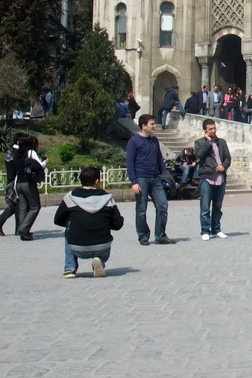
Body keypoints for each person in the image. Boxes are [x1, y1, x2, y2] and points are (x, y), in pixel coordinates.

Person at [54, 166, 124, 278]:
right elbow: (117, 224)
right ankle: (99, 260)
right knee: (102, 238)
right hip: (101, 245)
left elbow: (58, 219)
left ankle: (70, 267)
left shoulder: (70, 197)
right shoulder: (107, 198)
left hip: (77, 246)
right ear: (97, 181)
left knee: (69, 230)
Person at [127, 114, 176, 246]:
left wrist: (165, 174)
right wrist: (134, 182)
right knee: (141, 209)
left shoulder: (154, 140)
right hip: (141, 178)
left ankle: (160, 235)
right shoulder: (134, 141)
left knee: (163, 206)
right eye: (152, 124)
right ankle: (143, 236)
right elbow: (130, 162)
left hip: (155, 178)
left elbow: (159, 159)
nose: (154, 126)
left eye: (154, 124)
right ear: (144, 126)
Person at [195, 119, 232, 241]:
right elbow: (199, 155)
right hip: (207, 177)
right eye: (210, 129)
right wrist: (208, 142)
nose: (213, 131)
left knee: (217, 206)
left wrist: (224, 166)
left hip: (220, 177)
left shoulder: (222, 142)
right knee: (205, 206)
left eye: (214, 128)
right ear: (205, 130)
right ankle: (205, 230)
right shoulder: (199, 142)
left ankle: (216, 229)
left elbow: (227, 157)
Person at [0, 133, 29, 236]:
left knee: (17, 205)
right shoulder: (15, 152)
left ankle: (16, 228)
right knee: (15, 205)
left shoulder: (11, 151)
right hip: (14, 181)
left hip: (12, 180)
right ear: (18, 141)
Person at [13, 136, 49, 241]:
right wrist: (46, 162)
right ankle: (24, 229)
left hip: (18, 182)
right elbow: (39, 165)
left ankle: (22, 230)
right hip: (28, 183)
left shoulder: (17, 153)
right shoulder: (31, 152)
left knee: (23, 207)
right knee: (35, 207)